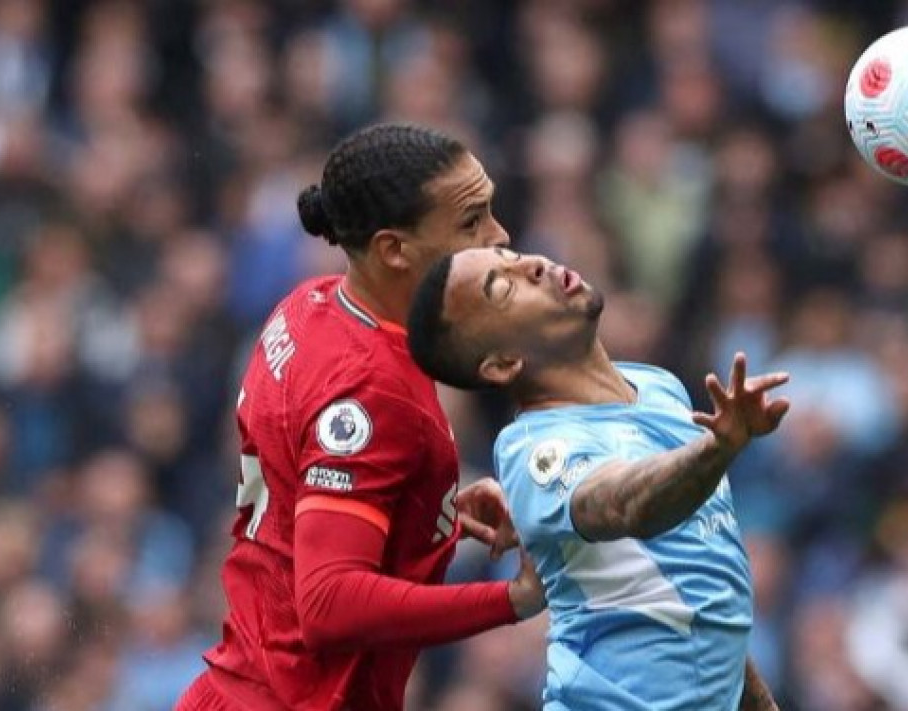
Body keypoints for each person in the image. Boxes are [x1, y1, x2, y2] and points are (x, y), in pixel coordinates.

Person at [175, 125, 545, 711]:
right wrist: (511, 600)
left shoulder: (309, 306)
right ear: (394, 249)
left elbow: (314, 494)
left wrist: (433, 510)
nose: (499, 236)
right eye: (470, 221)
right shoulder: (372, 390)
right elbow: (327, 603)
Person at [406, 246, 789, 710]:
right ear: (504, 362)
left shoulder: (657, 387)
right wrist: (720, 448)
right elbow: (623, 506)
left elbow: (697, 595)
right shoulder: (534, 451)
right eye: (505, 287)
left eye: (511, 255)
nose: (533, 265)